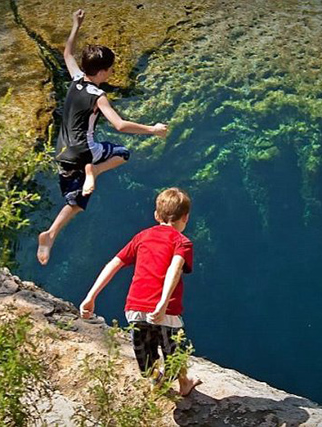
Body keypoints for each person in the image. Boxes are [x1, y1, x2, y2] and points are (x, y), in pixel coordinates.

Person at [37, 9, 169, 266]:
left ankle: (51, 234)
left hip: (62, 152)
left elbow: (67, 54)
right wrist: (153, 129)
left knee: (75, 201)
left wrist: (75, 25)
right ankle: (93, 171)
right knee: (123, 154)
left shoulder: (76, 79)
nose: (110, 74)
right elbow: (119, 125)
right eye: (109, 71)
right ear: (101, 71)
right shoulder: (99, 96)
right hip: (86, 151)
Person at [79, 188, 202, 396]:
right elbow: (175, 269)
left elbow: (114, 264)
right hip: (166, 311)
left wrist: (90, 296)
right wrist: (162, 303)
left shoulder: (142, 237)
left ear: (156, 215)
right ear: (186, 218)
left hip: (134, 307)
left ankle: (156, 380)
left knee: (145, 352)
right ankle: (184, 383)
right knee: (175, 349)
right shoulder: (183, 242)